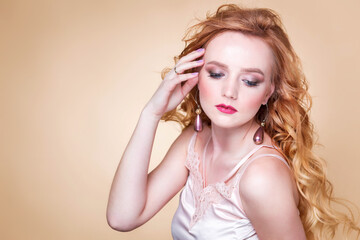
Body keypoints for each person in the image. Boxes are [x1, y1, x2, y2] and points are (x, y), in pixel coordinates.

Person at [106, 4, 360, 240]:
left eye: (250, 81)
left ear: (268, 92)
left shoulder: (261, 177)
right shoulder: (193, 141)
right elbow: (122, 217)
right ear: (195, 75)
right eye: (216, 74)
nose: (229, 91)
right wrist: (151, 113)